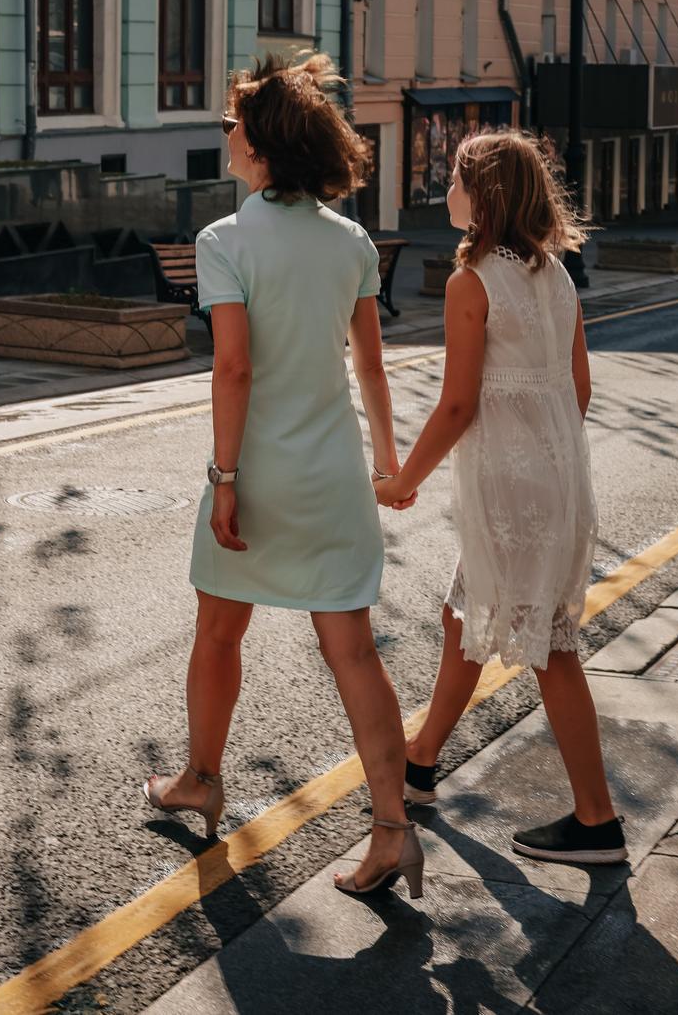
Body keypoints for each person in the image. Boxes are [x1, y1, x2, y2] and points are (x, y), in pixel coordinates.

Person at [143, 52, 424, 900]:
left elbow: (233, 369)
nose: (225, 138)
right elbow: (372, 368)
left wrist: (224, 477)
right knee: (355, 653)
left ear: (259, 146)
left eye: (232, 127)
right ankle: (391, 830)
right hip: (335, 477)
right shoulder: (351, 242)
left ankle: (199, 778)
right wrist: (390, 463)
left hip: (258, 476)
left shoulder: (224, 241)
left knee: (219, 633)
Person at [374, 130, 628, 866]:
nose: (445, 192)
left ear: (482, 198)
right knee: (464, 615)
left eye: (454, 180)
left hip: (512, 494)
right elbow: (578, 389)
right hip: (557, 483)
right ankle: (421, 760)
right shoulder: (557, 276)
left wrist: (402, 482)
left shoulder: (471, 283)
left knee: (551, 648)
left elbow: (456, 406)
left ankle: (597, 820)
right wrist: (537, 448)